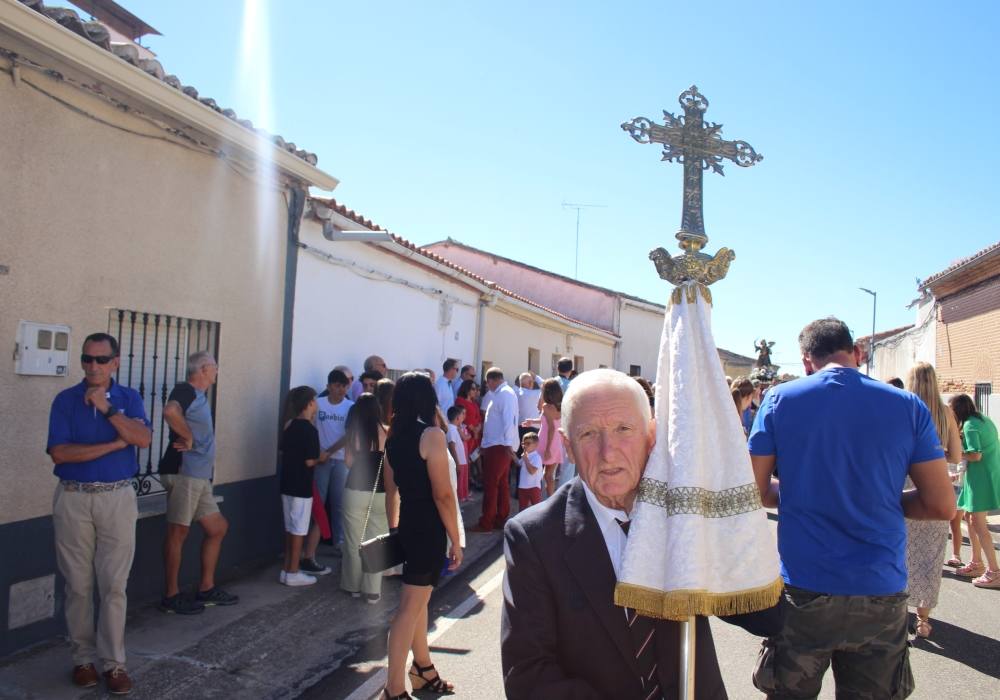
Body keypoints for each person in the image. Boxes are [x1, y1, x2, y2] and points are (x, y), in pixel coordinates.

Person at [502, 369, 739, 699]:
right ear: (567, 447)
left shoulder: (685, 512)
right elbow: (529, 676)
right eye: (588, 434)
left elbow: (768, 620)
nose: (607, 452)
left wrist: (729, 517)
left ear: (651, 436)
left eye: (623, 429)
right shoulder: (534, 537)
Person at [749, 317, 954, 698]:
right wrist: (882, 499)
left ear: (806, 360)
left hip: (805, 589)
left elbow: (755, 491)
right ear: (857, 353)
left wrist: (800, 493)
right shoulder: (908, 406)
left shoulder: (779, 400)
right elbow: (941, 505)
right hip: (880, 589)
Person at [47, 333, 151, 695]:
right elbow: (60, 454)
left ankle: (114, 664)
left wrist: (108, 410)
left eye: (101, 360)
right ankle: (83, 660)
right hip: (74, 498)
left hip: (117, 498)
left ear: (115, 362)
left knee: (114, 586)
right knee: (77, 585)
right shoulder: (64, 400)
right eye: (87, 359)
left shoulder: (129, 398)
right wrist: (113, 444)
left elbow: (142, 439)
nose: (93, 366)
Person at [382, 372, 463, 699]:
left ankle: (423, 669)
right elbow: (443, 495)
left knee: (419, 602)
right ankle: (394, 688)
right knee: (409, 607)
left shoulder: (393, 436)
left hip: (408, 524)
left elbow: (391, 492)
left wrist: (394, 530)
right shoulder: (431, 435)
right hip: (428, 526)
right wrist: (455, 539)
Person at [160, 352, 238, 614]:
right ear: (204, 369)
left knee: (218, 528)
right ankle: (171, 596)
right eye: (214, 368)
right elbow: (170, 411)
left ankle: (206, 588)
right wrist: (189, 436)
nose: (217, 372)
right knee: (177, 533)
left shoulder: (198, 396)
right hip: (185, 472)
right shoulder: (186, 390)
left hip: (198, 476)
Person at [903, 362, 963, 637]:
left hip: (905, 481)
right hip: (936, 481)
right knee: (932, 552)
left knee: (900, 548)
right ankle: (923, 618)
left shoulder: (903, 408)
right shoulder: (946, 412)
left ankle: (897, 607)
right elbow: (956, 456)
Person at [279, 387, 331, 586]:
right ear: (309, 403)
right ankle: (293, 572)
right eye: (315, 401)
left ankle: (286, 569)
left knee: (289, 528)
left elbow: (285, 452)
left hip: (287, 483)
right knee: (299, 529)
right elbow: (310, 461)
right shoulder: (309, 429)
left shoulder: (289, 425)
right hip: (302, 486)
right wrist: (322, 458)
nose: (317, 404)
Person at [341, 393, 390, 602]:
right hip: (380, 491)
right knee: (376, 541)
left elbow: (348, 462)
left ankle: (353, 586)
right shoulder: (386, 432)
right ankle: (372, 591)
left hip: (355, 489)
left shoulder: (354, 433)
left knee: (353, 541)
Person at [950, 393, 1000, 587]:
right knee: (969, 518)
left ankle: (994, 571)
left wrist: (953, 455)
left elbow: (976, 455)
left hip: (981, 478)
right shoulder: (983, 419)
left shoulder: (970, 425)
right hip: (984, 476)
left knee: (978, 523)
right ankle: (976, 563)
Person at [472, 367, 519, 532]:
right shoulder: (499, 394)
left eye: (487, 382)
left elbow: (508, 421)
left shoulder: (505, 394)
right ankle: (499, 518)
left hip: (499, 446)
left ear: (492, 380)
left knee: (492, 484)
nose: (486, 386)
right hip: (496, 445)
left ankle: (487, 522)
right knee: (501, 484)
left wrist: (507, 445)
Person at [316, 369, 353, 552]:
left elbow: (350, 435)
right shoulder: (317, 404)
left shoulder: (350, 407)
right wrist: (318, 452)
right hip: (320, 461)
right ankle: (314, 541)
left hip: (339, 460)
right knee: (319, 502)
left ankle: (339, 541)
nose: (340, 390)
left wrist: (329, 452)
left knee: (339, 502)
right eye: (337, 385)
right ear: (328, 386)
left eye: (344, 386)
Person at [521, 378, 564, 498]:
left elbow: (550, 428)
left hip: (546, 442)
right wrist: (532, 422)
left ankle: (541, 498)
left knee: (539, 472)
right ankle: (550, 499)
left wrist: (548, 448)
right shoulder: (559, 406)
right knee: (549, 475)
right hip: (556, 442)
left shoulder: (546, 407)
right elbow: (548, 422)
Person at [446, 405, 470, 501]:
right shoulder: (451, 429)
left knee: (462, 483)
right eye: (461, 415)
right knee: (457, 484)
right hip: (458, 462)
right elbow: (452, 447)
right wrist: (457, 463)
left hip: (462, 461)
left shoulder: (455, 428)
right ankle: (457, 505)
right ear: (457, 418)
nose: (463, 417)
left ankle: (461, 501)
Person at [517, 432, 543, 510]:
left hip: (534, 487)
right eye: (523, 443)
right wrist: (510, 453)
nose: (524, 446)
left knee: (536, 509)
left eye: (528, 443)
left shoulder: (536, 457)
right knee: (522, 509)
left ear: (535, 445)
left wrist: (526, 459)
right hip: (522, 486)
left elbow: (532, 471)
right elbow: (518, 463)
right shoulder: (526, 456)